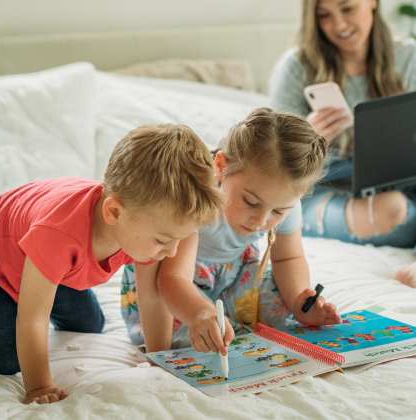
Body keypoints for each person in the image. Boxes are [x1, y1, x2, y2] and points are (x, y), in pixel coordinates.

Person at [0, 124, 222, 403]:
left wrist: (160, 358)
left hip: (52, 264)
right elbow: (33, 318)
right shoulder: (59, 235)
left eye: (178, 241)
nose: (171, 253)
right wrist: (38, 385)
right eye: (163, 240)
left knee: (91, 324)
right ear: (114, 212)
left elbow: (152, 297)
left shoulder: (141, 225)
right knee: (2, 360)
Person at [121, 108, 341, 354]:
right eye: (251, 202)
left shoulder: (286, 200)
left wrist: (299, 300)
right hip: (176, 285)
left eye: (277, 212)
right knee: (197, 338)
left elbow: (287, 257)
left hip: (236, 274)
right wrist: (199, 314)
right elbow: (171, 279)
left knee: (283, 310)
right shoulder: (196, 196)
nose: (261, 220)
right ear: (221, 166)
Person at [268, 0, 416, 287]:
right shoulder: (297, 66)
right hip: (324, 186)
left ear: (372, 3)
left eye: (347, 9)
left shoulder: (409, 58)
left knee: (398, 202)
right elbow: (270, 162)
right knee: (395, 211)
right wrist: (307, 139)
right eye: (324, 16)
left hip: (399, 179)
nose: (338, 26)